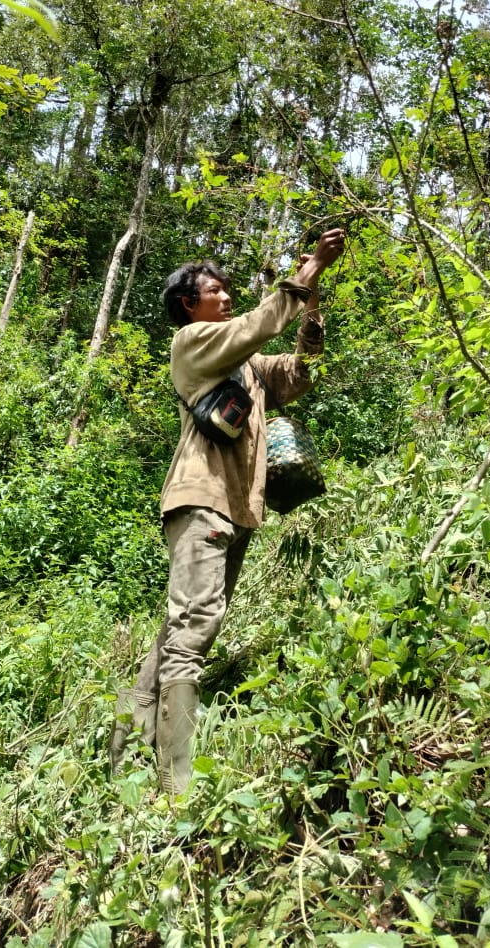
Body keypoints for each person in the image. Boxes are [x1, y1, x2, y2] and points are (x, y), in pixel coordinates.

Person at [110, 228, 346, 793]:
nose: (226, 297)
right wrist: (308, 268)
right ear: (190, 304)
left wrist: (312, 301)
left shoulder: (247, 367)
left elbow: (297, 370)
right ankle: (177, 785)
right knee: (195, 629)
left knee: (181, 630)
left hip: (238, 510)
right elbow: (256, 325)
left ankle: (123, 755)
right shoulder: (193, 344)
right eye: (216, 291)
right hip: (201, 502)